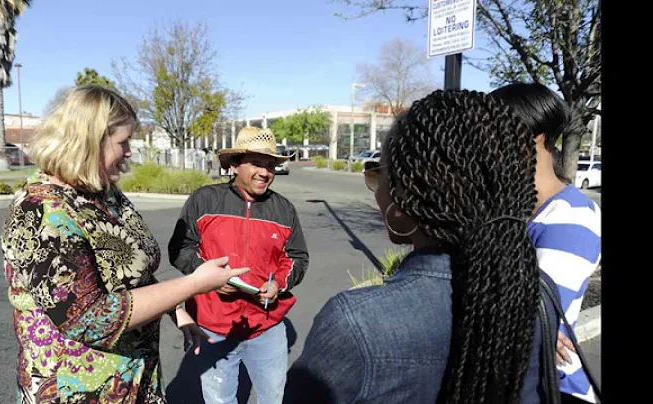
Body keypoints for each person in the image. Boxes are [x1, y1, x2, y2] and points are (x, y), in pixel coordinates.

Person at [285, 90, 561, 403]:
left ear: (406, 195)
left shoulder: (355, 323)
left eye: (378, 175)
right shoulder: (539, 292)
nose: (375, 190)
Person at [0, 85, 249, 403]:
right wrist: (193, 285)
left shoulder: (104, 192)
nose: (130, 151)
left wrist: (178, 312)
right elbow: (88, 318)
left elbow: (134, 270)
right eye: (123, 142)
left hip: (136, 381)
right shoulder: (41, 209)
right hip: (76, 390)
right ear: (89, 141)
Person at [168, 126, 309, 404]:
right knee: (220, 400)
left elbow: (296, 257)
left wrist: (279, 283)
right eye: (256, 164)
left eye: (270, 166)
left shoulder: (284, 208)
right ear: (234, 165)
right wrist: (210, 278)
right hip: (213, 326)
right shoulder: (204, 200)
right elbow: (180, 248)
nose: (265, 172)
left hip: (267, 326)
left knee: (273, 398)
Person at [491, 83, 602, 404]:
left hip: (554, 389)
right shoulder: (510, 207)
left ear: (535, 137)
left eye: (493, 131)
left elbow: (538, 328)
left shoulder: (572, 217)